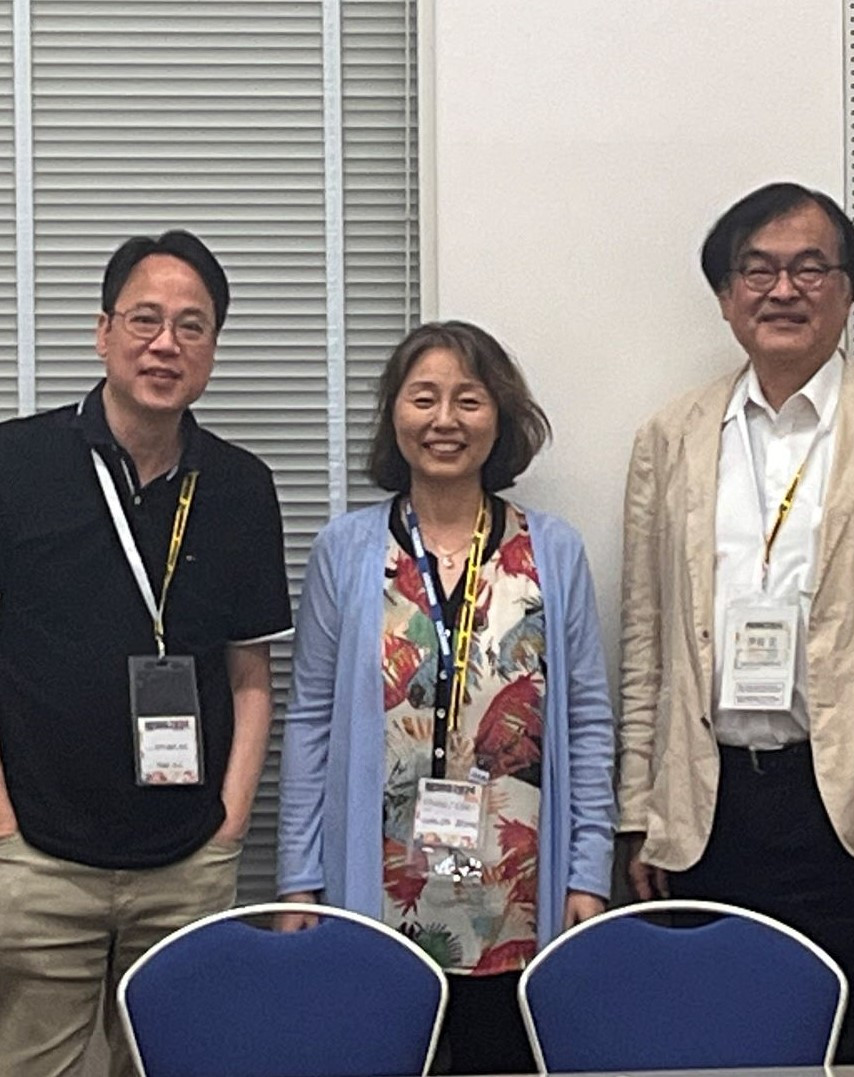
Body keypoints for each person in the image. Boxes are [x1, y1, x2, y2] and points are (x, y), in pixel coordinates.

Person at [616, 181, 854, 1063]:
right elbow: (644, 638)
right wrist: (639, 809)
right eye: (757, 270)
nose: (782, 290)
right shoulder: (670, 434)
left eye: (810, 268)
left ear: (848, 290)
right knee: (711, 1044)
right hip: (705, 803)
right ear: (725, 295)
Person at [0, 229, 291, 1077]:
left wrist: (227, 828)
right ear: (103, 331)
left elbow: (250, 677)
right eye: (144, 319)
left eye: (191, 326)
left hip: (187, 861)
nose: (166, 344)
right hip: (40, 857)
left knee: (177, 1063)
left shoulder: (241, 486)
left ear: (212, 347)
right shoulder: (11, 461)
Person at [275, 320, 615, 1075]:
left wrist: (587, 871)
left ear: (500, 416)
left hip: (518, 894)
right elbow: (311, 721)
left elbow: (589, 721)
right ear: (394, 414)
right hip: (380, 888)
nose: (444, 419)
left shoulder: (553, 551)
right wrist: (300, 878)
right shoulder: (346, 550)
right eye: (423, 397)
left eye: (468, 399)